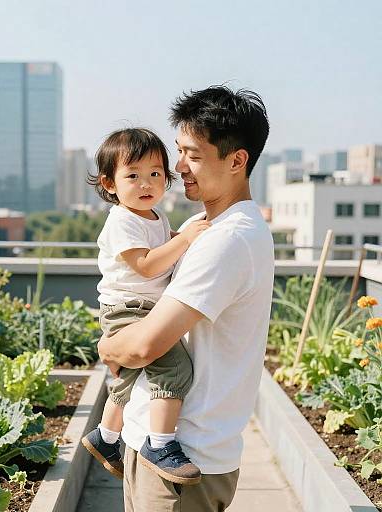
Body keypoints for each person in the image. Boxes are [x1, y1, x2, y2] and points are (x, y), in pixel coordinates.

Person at [98, 86, 274, 512]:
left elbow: (142, 346)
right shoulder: (205, 226)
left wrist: (106, 346)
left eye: (192, 154)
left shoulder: (228, 239)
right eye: (179, 151)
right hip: (162, 446)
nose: (178, 167)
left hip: (186, 458)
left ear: (236, 160)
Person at [82, 127, 210, 485]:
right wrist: (185, 238)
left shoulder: (154, 216)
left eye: (155, 174)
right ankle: (161, 444)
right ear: (109, 184)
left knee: (129, 374)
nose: (145, 184)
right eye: (133, 176)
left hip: (142, 306)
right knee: (174, 367)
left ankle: (105, 438)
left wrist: (180, 238)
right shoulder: (121, 221)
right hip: (128, 309)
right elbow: (148, 264)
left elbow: (159, 244)